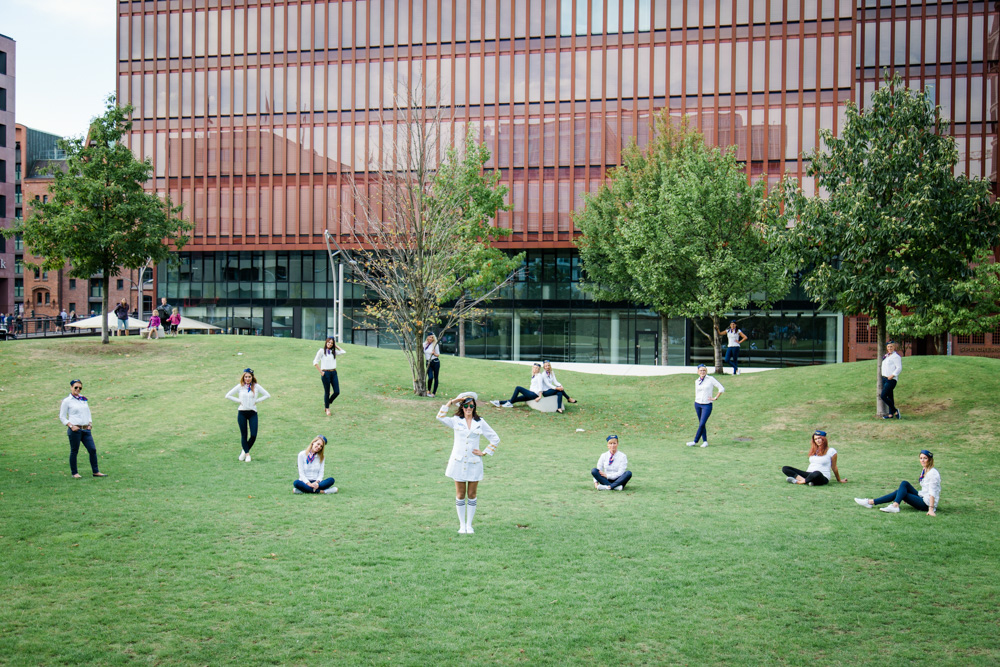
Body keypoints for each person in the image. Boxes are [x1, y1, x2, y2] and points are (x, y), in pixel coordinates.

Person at [437, 392, 500, 534]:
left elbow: (495, 438)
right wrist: (452, 401)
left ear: (474, 407)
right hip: (458, 462)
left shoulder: (480, 422)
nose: (469, 408)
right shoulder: (455, 420)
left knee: (471, 494)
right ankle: (462, 525)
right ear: (462, 406)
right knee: (460, 494)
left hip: (474, 463)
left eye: (471, 405)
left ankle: (469, 525)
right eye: (466, 405)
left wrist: (485, 452)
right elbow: (439, 417)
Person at [855, 450, 940, 516]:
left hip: (926, 504)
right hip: (922, 496)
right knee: (904, 484)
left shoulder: (932, 473)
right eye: (921, 458)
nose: (922, 460)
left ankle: (892, 505)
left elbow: (932, 493)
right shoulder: (925, 469)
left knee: (901, 493)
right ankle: (870, 502)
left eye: (925, 458)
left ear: (930, 460)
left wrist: (931, 509)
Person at [58, 379, 107, 478]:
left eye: (80, 388)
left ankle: (95, 471)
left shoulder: (83, 399)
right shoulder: (67, 401)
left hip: (86, 429)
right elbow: (62, 416)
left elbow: (87, 412)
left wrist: (90, 423)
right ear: (71, 387)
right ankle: (74, 473)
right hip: (75, 430)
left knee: (92, 449)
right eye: (76, 387)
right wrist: (71, 426)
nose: (78, 389)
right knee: (74, 451)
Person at [225, 368, 271, 462]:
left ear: (252, 377)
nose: (247, 379)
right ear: (243, 377)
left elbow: (267, 395)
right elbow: (228, 395)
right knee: (244, 434)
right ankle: (247, 454)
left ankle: (244, 450)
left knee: (253, 435)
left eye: (249, 377)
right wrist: (239, 401)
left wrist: (256, 401)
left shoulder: (256, 386)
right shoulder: (240, 387)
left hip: (252, 412)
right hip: (242, 412)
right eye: (246, 377)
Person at [781, 430, 847, 486]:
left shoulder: (831, 451)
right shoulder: (814, 450)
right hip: (809, 474)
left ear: (824, 439)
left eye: (819, 438)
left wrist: (839, 480)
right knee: (785, 468)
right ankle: (808, 481)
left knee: (816, 473)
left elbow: (834, 467)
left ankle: (799, 482)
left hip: (822, 476)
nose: (817, 440)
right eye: (815, 439)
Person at [686, 364, 724, 448]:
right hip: (697, 404)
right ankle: (705, 441)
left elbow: (721, 388)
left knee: (702, 423)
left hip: (707, 405)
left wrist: (715, 398)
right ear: (698, 372)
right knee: (701, 424)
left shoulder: (710, 379)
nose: (702, 372)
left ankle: (695, 441)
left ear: (706, 371)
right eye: (701, 370)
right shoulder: (697, 381)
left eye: (704, 370)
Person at [313, 336, 346, 416]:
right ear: (326, 342)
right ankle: (327, 409)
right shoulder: (321, 351)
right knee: (327, 392)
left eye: (331, 343)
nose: (330, 344)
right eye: (329, 342)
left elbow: (343, 352)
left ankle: (328, 402)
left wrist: (336, 346)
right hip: (326, 373)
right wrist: (321, 372)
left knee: (337, 392)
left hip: (334, 373)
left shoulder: (333, 352)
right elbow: (315, 362)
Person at [880, 340, 902, 419]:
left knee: (883, 396)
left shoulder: (896, 357)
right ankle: (890, 415)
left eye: (891, 347)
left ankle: (895, 411)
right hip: (885, 378)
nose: (890, 348)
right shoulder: (886, 356)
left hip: (891, 379)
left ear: (894, 347)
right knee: (890, 396)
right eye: (888, 347)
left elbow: (899, 368)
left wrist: (892, 375)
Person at [423, 333, 441, 397]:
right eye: (429, 337)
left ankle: (433, 393)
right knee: (430, 377)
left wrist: (434, 353)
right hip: (428, 362)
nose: (430, 338)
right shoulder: (424, 344)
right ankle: (429, 390)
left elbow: (438, 355)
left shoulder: (435, 345)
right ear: (427, 337)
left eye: (432, 337)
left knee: (436, 377)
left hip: (435, 361)